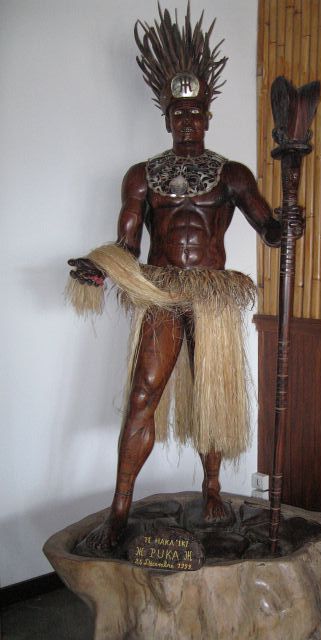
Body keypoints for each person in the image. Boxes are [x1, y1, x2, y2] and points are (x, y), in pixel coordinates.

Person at [67, 6, 284, 552]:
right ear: (168, 120)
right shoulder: (142, 176)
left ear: (207, 118)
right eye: (179, 115)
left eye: (195, 114)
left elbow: (268, 228)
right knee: (144, 393)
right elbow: (127, 245)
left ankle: (212, 489)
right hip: (161, 292)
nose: (188, 122)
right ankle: (120, 508)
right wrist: (101, 267)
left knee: (214, 395)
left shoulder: (232, 174)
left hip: (211, 296)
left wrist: (287, 224)